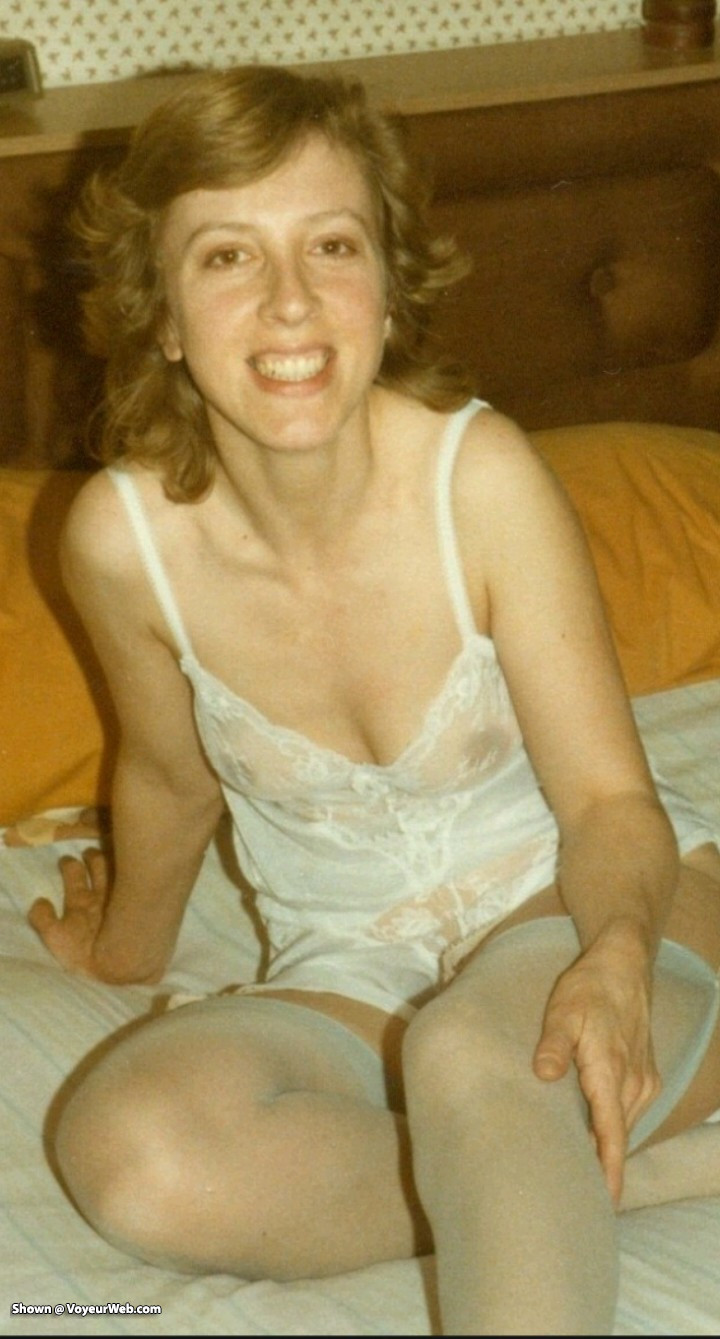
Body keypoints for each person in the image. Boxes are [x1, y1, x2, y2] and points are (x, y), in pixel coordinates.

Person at [28, 65, 720, 1335]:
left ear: (388, 289)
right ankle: (605, 1175)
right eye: (228, 255)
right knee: (128, 1150)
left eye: (332, 245)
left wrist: (615, 961)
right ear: (163, 317)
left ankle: (519, 1144)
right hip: (350, 965)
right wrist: (121, 953)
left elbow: (610, 802)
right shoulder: (122, 541)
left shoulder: (481, 479)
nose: (289, 299)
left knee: (478, 1051)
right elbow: (170, 778)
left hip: (600, 907)